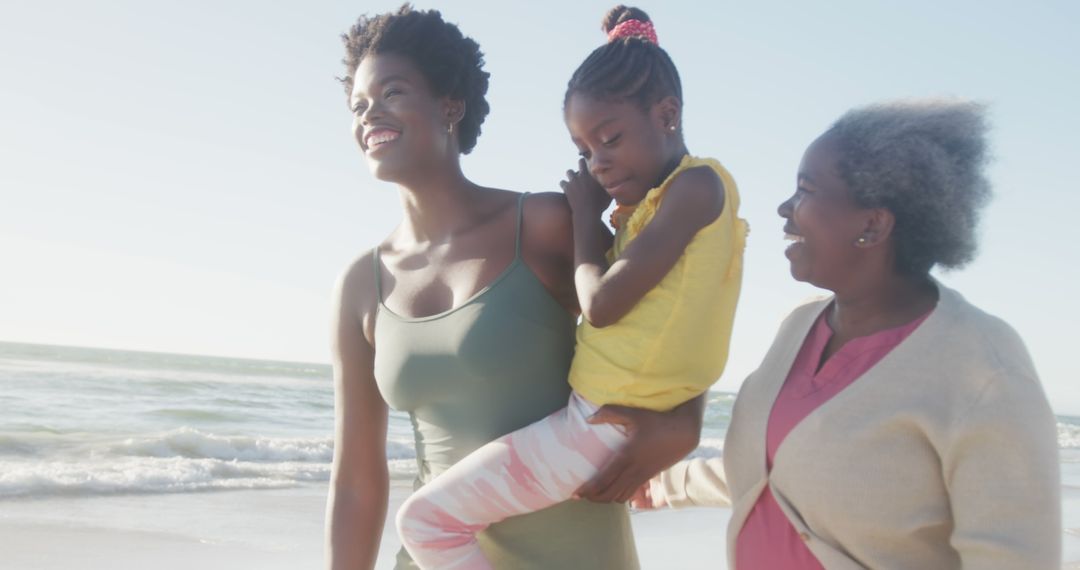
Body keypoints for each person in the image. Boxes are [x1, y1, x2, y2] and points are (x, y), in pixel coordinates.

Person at [325, 6, 704, 570]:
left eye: (392, 92)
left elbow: (670, 311)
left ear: (449, 104)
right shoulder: (361, 284)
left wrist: (684, 425)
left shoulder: (545, 225)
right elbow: (356, 478)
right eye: (358, 104)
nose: (369, 113)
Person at [637, 100, 1061, 569]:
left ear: (873, 224)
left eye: (805, 190)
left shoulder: (983, 366)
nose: (784, 209)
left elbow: (1014, 557)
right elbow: (778, 467)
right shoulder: (800, 325)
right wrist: (660, 486)